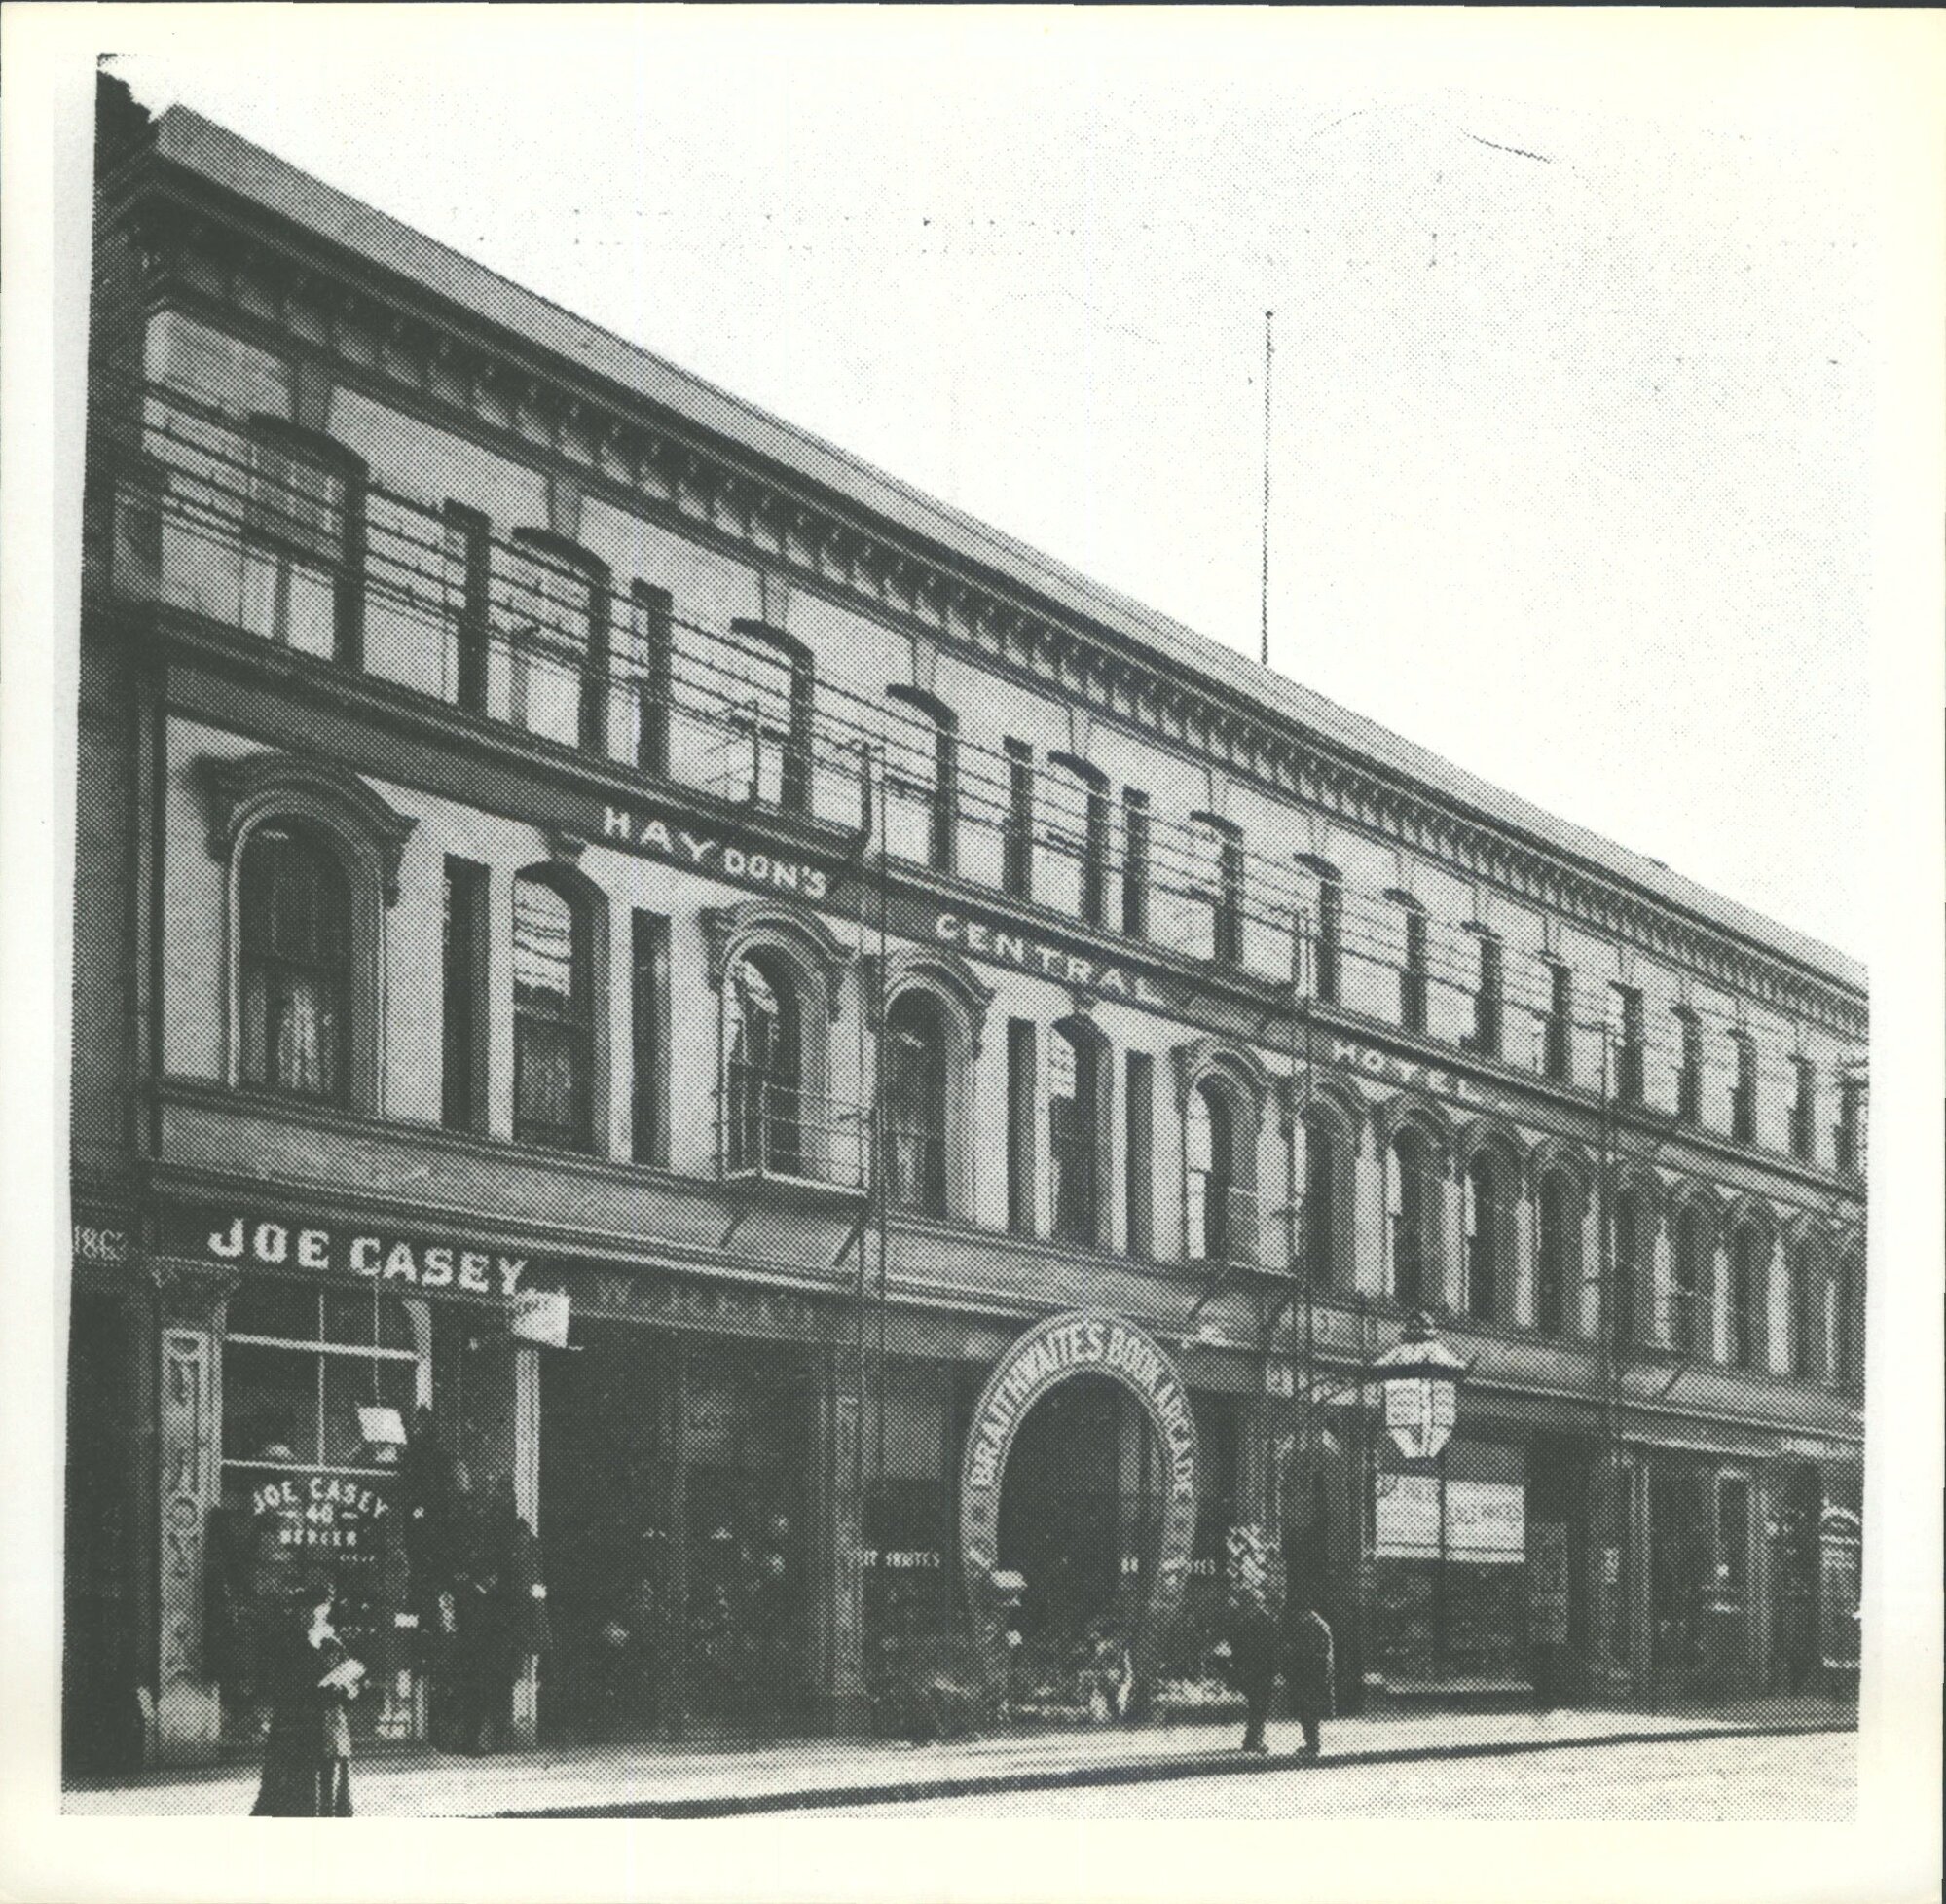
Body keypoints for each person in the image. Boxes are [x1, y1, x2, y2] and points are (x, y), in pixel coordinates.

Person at [251, 1575, 363, 1815]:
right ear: (299, 1612)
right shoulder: (285, 1644)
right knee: (294, 1799)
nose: (314, 1615)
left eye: (320, 1609)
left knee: (329, 1798)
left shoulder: (333, 1645)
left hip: (331, 1730)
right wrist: (313, 1689)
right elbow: (275, 1685)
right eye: (308, 1610)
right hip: (295, 1730)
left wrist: (346, 1688)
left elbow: (353, 1687)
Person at [1224, 1525, 1281, 1755]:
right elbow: (1272, 1645)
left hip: (1248, 1668)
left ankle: (1252, 1739)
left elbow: (1236, 1644)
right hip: (1260, 1670)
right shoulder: (1265, 1620)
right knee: (1260, 1707)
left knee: (1256, 1707)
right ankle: (1254, 1740)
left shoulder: (1243, 1620)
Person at [1286, 1600, 1337, 1761]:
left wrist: (1294, 1652)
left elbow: (1316, 1652)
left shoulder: (1315, 1626)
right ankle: (1311, 1743)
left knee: (1309, 1712)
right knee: (1306, 1711)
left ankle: (1313, 1744)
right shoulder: (1313, 1624)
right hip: (1310, 1675)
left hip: (1312, 1676)